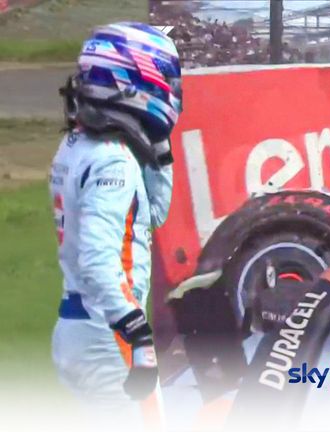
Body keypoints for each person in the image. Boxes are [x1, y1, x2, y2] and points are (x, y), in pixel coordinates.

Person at [49, 22, 182, 429]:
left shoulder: (78, 145)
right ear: (135, 80)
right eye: (167, 77)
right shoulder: (113, 161)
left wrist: (159, 153)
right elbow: (98, 257)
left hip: (78, 325)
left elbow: (149, 217)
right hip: (108, 333)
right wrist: (138, 335)